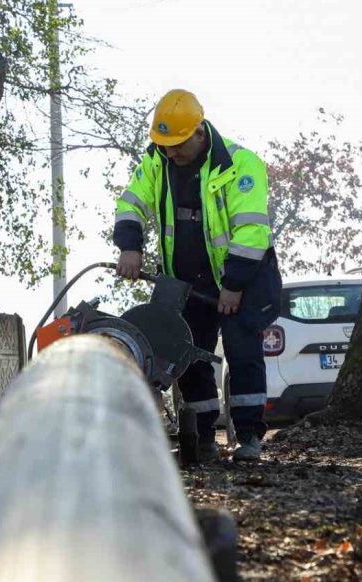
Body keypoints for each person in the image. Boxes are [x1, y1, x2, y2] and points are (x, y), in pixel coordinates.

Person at [113, 89, 281, 461]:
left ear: (199, 133)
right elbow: (131, 202)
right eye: (165, 145)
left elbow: (252, 231)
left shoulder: (241, 165)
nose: (171, 153)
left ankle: (249, 438)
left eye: (177, 145)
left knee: (243, 352)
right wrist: (129, 246)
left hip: (242, 278)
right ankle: (203, 437)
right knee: (185, 355)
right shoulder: (157, 161)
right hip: (185, 283)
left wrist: (233, 285)